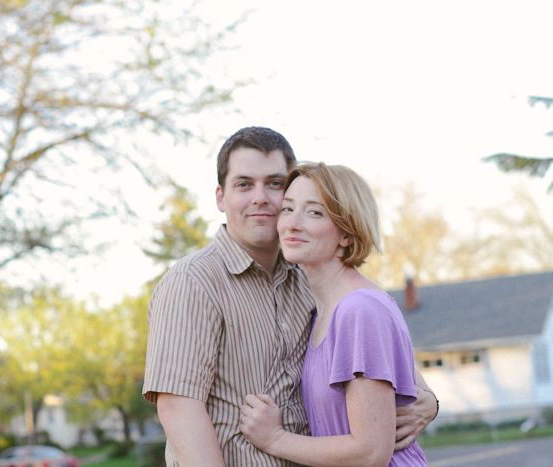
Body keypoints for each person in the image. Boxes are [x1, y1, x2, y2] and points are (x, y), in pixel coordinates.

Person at [143, 127, 436, 466]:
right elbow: (178, 408)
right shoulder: (192, 282)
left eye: (274, 183)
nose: (260, 197)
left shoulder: (311, 276)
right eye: (244, 184)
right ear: (221, 197)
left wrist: (428, 400)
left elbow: (384, 352)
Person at [240, 162, 429, 466]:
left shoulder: (359, 311)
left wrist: (275, 439)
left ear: (347, 234)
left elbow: (370, 452)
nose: (292, 224)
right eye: (288, 209)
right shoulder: (323, 311)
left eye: (314, 212)